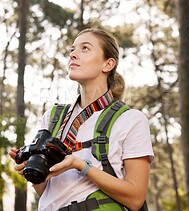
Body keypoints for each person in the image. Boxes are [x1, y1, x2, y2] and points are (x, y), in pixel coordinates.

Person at [9, 28, 154, 211]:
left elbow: (135, 198)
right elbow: (49, 193)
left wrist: (79, 165)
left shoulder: (131, 119)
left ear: (108, 64)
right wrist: (32, 170)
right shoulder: (53, 118)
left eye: (85, 48)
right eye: (72, 50)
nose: (73, 55)